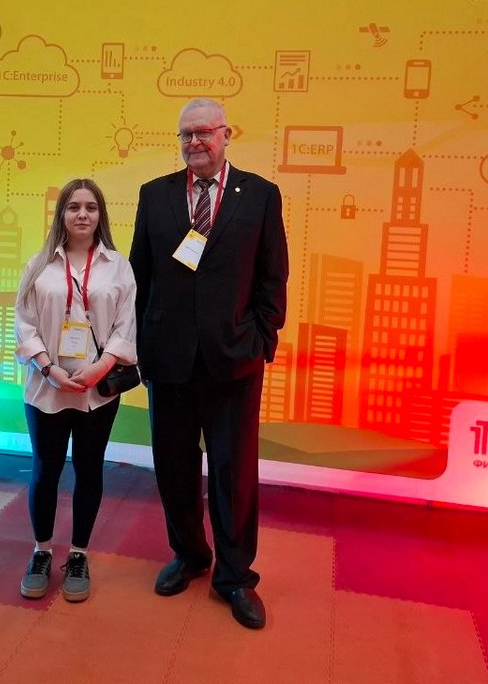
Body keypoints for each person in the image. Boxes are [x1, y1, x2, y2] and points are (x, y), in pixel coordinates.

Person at [129, 97, 288, 629]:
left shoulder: (260, 196)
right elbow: (140, 276)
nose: (194, 142)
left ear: (226, 135)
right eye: (185, 134)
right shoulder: (155, 195)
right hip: (168, 359)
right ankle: (190, 555)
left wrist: (262, 339)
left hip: (234, 360)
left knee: (233, 473)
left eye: (203, 132)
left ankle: (235, 576)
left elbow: (273, 276)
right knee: (174, 468)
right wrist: (137, 346)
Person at [13, 178, 137, 603]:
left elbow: (125, 327)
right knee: (45, 470)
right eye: (73, 207)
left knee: (89, 469)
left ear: (101, 215)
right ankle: (42, 551)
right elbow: (24, 324)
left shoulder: (118, 266)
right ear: (61, 214)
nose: (82, 214)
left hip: (97, 391)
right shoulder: (39, 265)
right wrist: (48, 369)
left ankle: (79, 554)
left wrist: (99, 369)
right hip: (45, 387)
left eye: (91, 207)